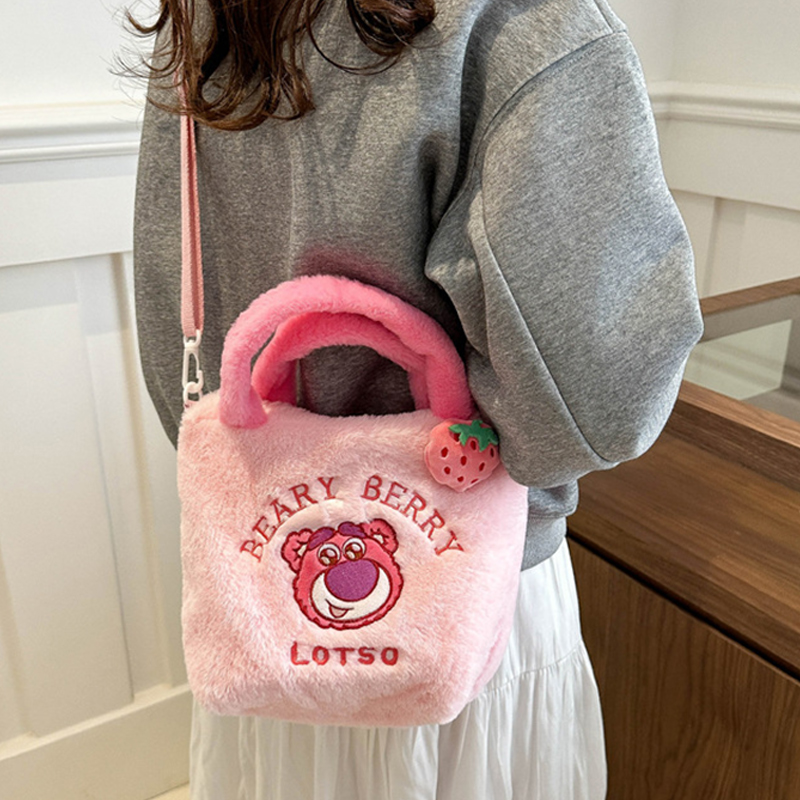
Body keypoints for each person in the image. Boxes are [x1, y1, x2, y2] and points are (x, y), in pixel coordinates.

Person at [131, 0, 704, 795]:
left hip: (266, 611)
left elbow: (185, 368)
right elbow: (599, 398)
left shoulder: (207, 17)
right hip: (462, 598)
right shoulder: (521, 18)